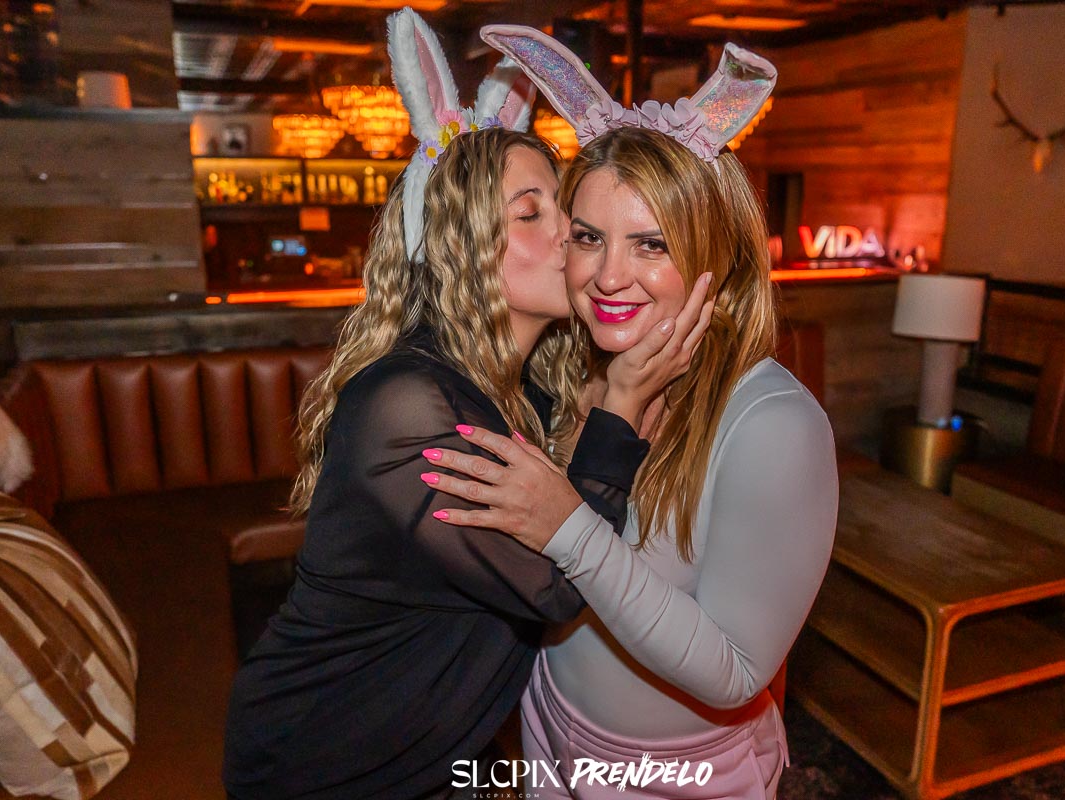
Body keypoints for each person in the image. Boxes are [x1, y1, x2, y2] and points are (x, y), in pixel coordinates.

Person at [222, 10, 711, 800]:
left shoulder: (520, 387)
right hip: (326, 758)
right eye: (532, 213)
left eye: (565, 210)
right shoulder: (406, 403)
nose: (570, 234)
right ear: (459, 244)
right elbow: (554, 587)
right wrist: (619, 410)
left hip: (437, 755)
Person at [420, 27, 839, 799]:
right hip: (545, 721)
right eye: (589, 237)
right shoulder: (567, 366)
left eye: (651, 245)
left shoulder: (774, 424)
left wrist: (568, 526)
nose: (609, 276)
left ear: (720, 256)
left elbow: (736, 671)